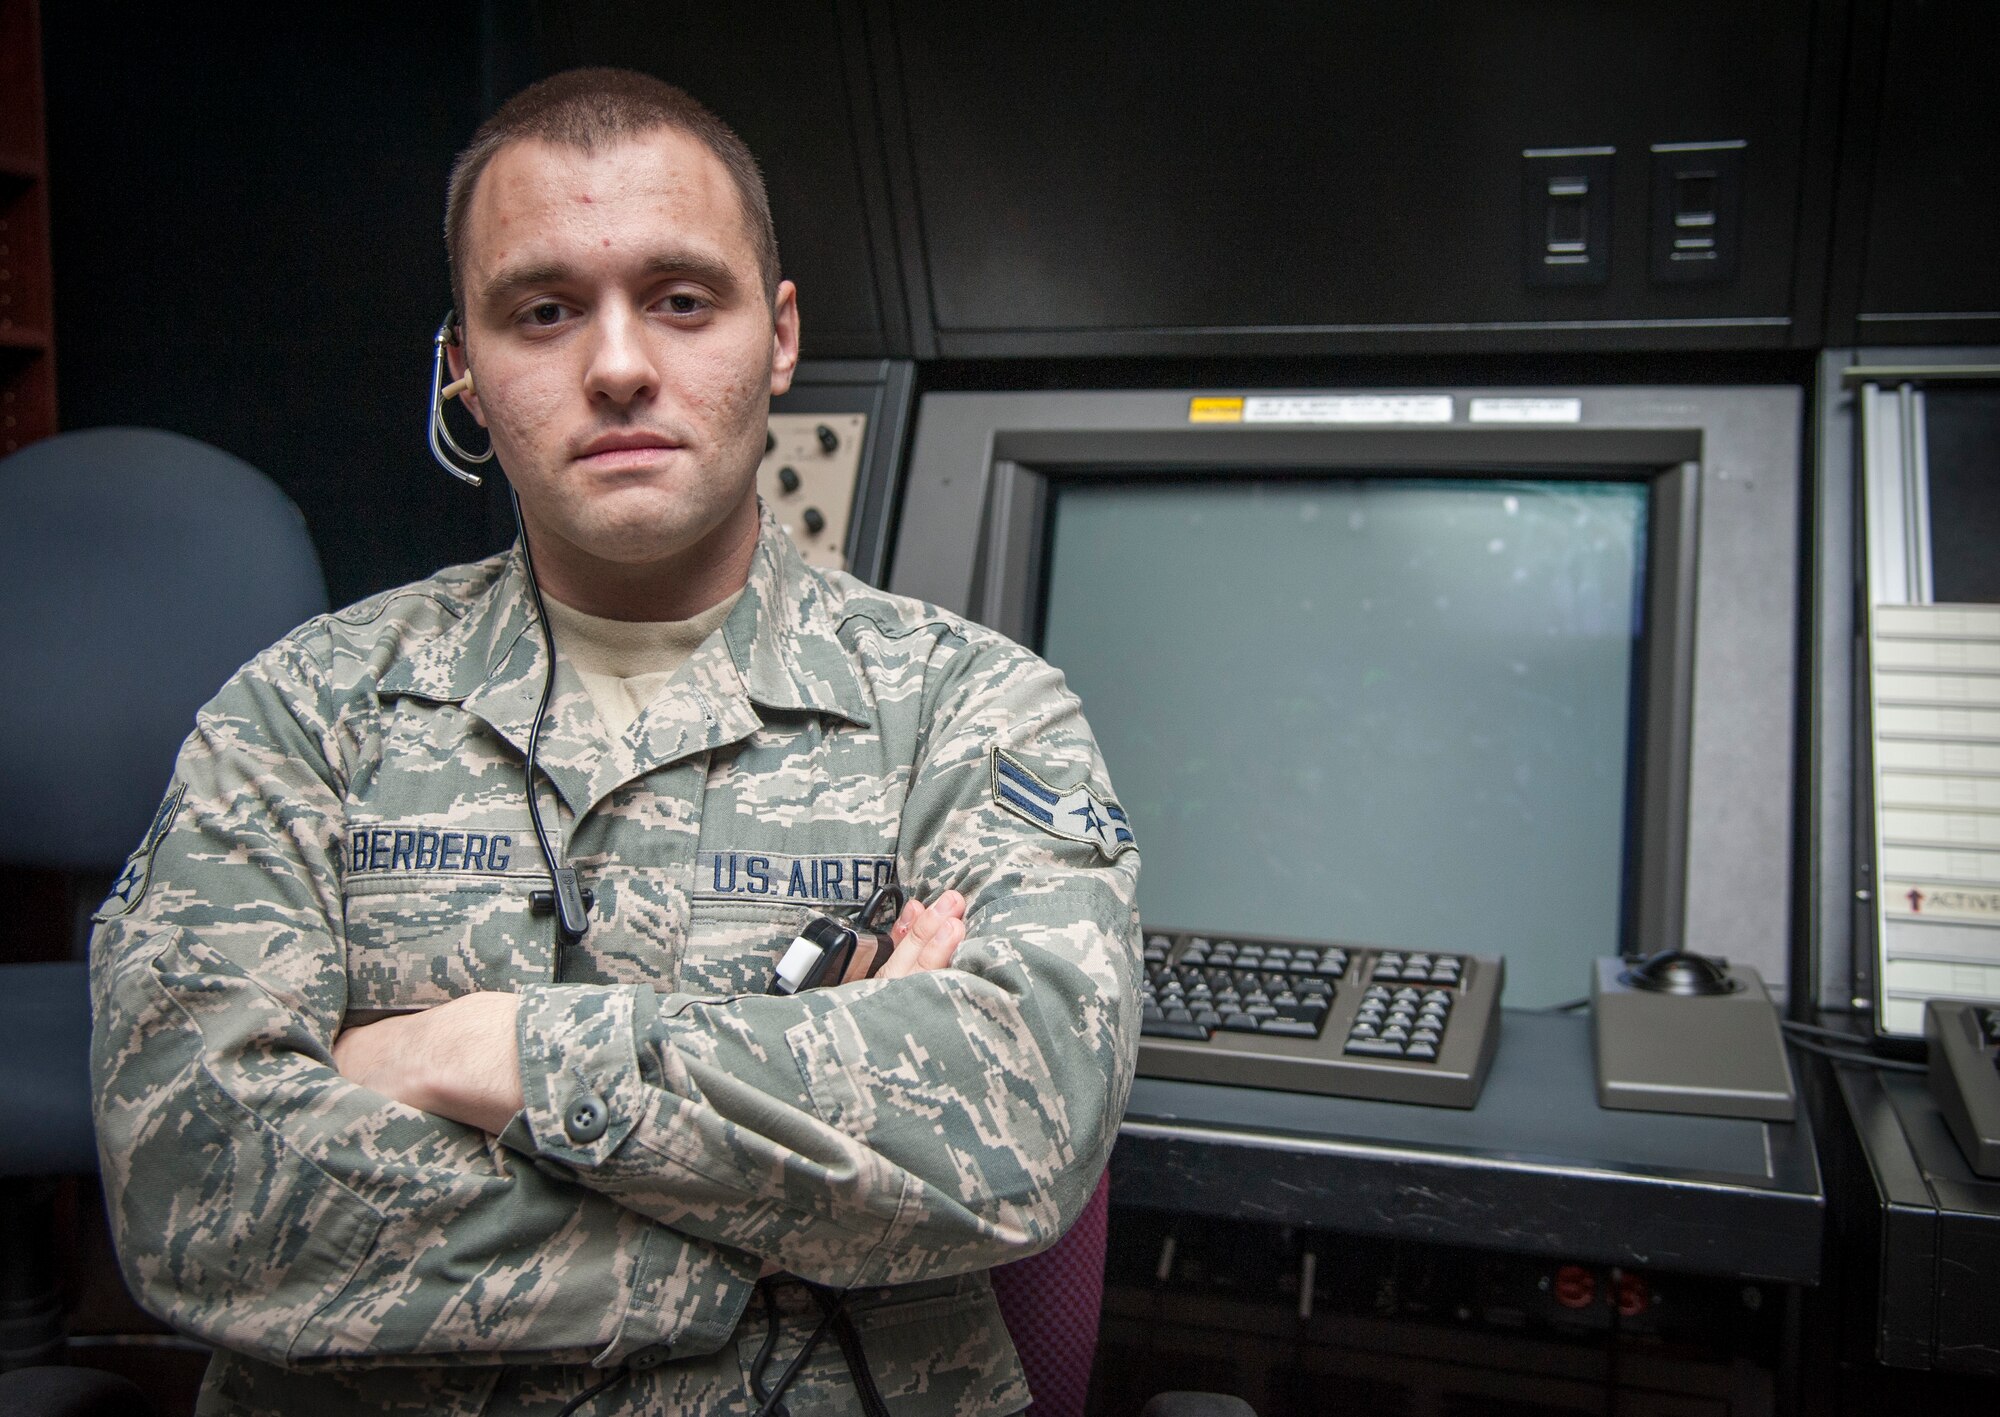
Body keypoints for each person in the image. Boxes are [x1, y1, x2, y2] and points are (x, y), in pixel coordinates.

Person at [89, 68, 1140, 1416]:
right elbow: (197, 1184)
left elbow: (1018, 1131)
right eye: (543, 311)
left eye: (683, 299)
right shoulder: (303, 714)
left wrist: (480, 1051)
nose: (621, 362)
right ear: (463, 368)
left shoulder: (973, 712)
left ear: (778, 337)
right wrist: (784, 1228)